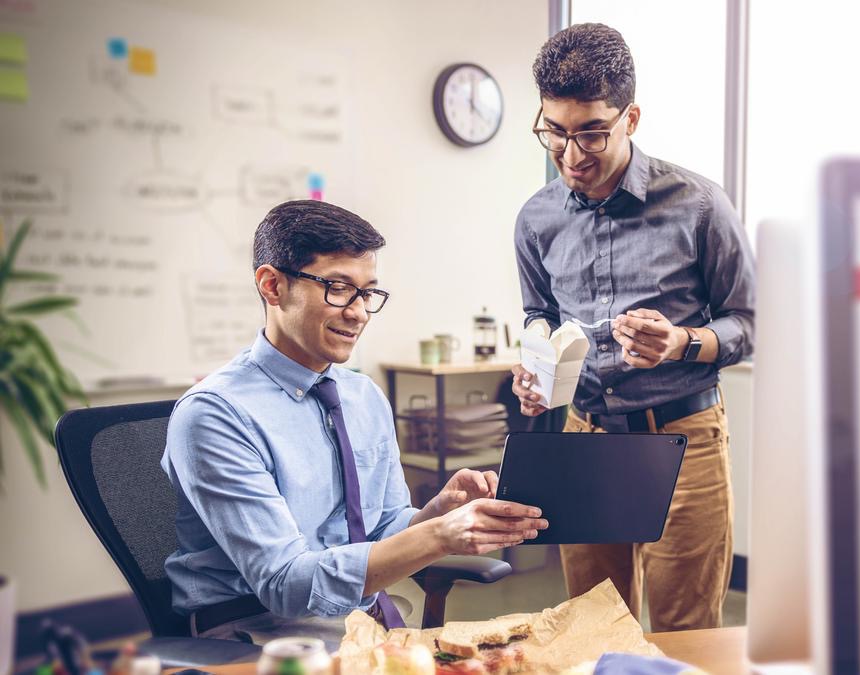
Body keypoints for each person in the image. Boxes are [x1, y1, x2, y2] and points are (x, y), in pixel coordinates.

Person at [162, 200, 547, 645]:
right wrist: (439, 537)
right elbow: (285, 585)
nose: (359, 312)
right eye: (338, 288)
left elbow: (379, 528)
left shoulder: (362, 395)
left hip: (357, 624)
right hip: (255, 633)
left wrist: (434, 513)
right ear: (272, 286)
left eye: (367, 293)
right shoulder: (214, 415)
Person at [510, 24, 755, 631]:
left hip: (684, 436)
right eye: (554, 133)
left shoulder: (699, 205)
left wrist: (682, 341)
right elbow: (538, 314)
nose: (570, 155)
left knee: (685, 632)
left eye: (592, 132)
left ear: (631, 118)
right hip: (585, 435)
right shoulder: (536, 218)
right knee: (591, 627)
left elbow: (751, 321)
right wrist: (538, 367)